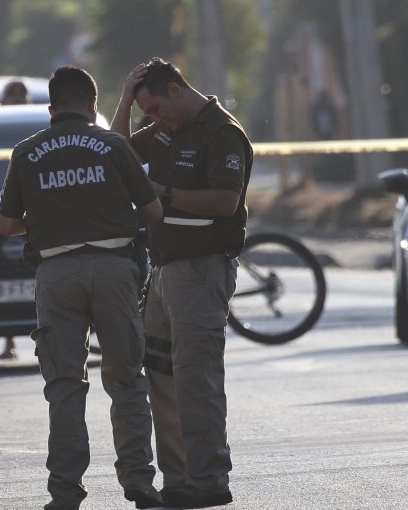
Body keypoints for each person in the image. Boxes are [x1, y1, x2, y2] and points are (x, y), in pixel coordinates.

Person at [0, 65, 164, 510]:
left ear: (51, 108)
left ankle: (65, 491)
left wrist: (55, 218)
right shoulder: (111, 145)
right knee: (127, 380)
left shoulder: (26, 152)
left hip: (56, 276)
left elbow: (9, 224)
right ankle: (139, 483)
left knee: (65, 386)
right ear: (93, 105)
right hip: (114, 271)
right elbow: (151, 212)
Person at [111, 57, 252, 509]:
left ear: (176, 90)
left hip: (202, 267)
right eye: (147, 114)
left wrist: (162, 193)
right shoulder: (168, 130)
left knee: (197, 380)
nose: (154, 120)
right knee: (164, 381)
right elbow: (119, 154)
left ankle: (209, 480)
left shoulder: (222, 133)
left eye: (154, 110)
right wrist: (125, 101)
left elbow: (226, 201)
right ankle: (180, 481)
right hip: (165, 271)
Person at [0, 79, 33, 361]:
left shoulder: (37, 128)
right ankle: (8, 340)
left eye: (22, 96)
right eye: (12, 96)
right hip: (8, 208)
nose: (18, 100)